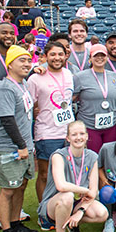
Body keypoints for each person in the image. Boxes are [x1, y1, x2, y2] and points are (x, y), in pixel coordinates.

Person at [0, 45, 39, 232]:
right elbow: (7, 120)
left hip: (25, 146)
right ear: (10, 63)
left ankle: (16, 222)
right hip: (8, 147)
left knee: (21, 185)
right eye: (21, 60)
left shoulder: (23, 84)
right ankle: (7, 231)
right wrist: (21, 145)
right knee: (8, 189)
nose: (26, 64)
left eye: (28, 60)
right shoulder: (5, 88)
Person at [38, 121, 108, 232]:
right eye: (74, 134)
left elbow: (93, 191)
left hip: (77, 203)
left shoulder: (92, 157)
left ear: (87, 136)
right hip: (54, 204)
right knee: (68, 195)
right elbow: (61, 185)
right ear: (68, 138)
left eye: (82, 134)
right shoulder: (58, 156)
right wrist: (85, 191)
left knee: (102, 214)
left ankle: (72, 225)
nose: (78, 137)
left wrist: (80, 211)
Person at [27, 41, 75, 206]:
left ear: (65, 56)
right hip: (47, 133)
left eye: (60, 54)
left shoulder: (68, 74)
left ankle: (62, 206)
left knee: (66, 174)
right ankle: (43, 210)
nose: (57, 58)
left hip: (68, 133)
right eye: (53, 54)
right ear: (45, 56)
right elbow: (28, 103)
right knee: (45, 175)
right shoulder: (35, 78)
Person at [73, 44, 116, 152]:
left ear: (107, 58)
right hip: (90, 126)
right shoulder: (80, 77)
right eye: (96, 56)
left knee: (109, 158)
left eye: (102, 55)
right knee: (94, 158)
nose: (99, 58)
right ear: (90, 59)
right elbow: (71, 98)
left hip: (111, 126)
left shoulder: (115, 77)